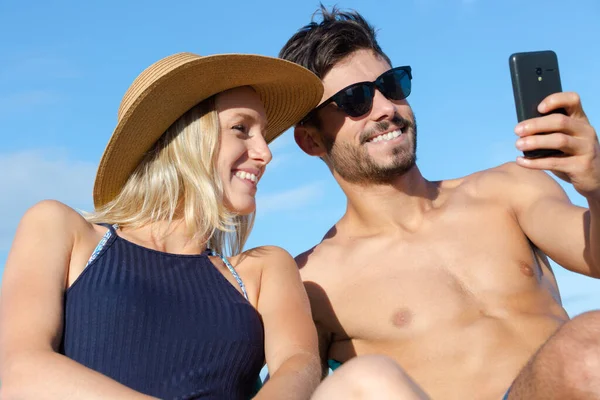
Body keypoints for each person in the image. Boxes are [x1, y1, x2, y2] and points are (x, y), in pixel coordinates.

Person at [279, 6, 600, 400]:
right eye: (355, 99)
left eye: (392, 84)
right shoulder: (312, 280)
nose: (386, 109)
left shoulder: (508, 189)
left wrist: (596, 186)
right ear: (310, 140)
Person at [0, 52, 325, 400]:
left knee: (371, 375)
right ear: (181, 136)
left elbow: (299, 366)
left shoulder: (263, 269)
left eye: (263, 135)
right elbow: (19, 370)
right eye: (241, 129)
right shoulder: (61, 229)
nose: (265, 152)